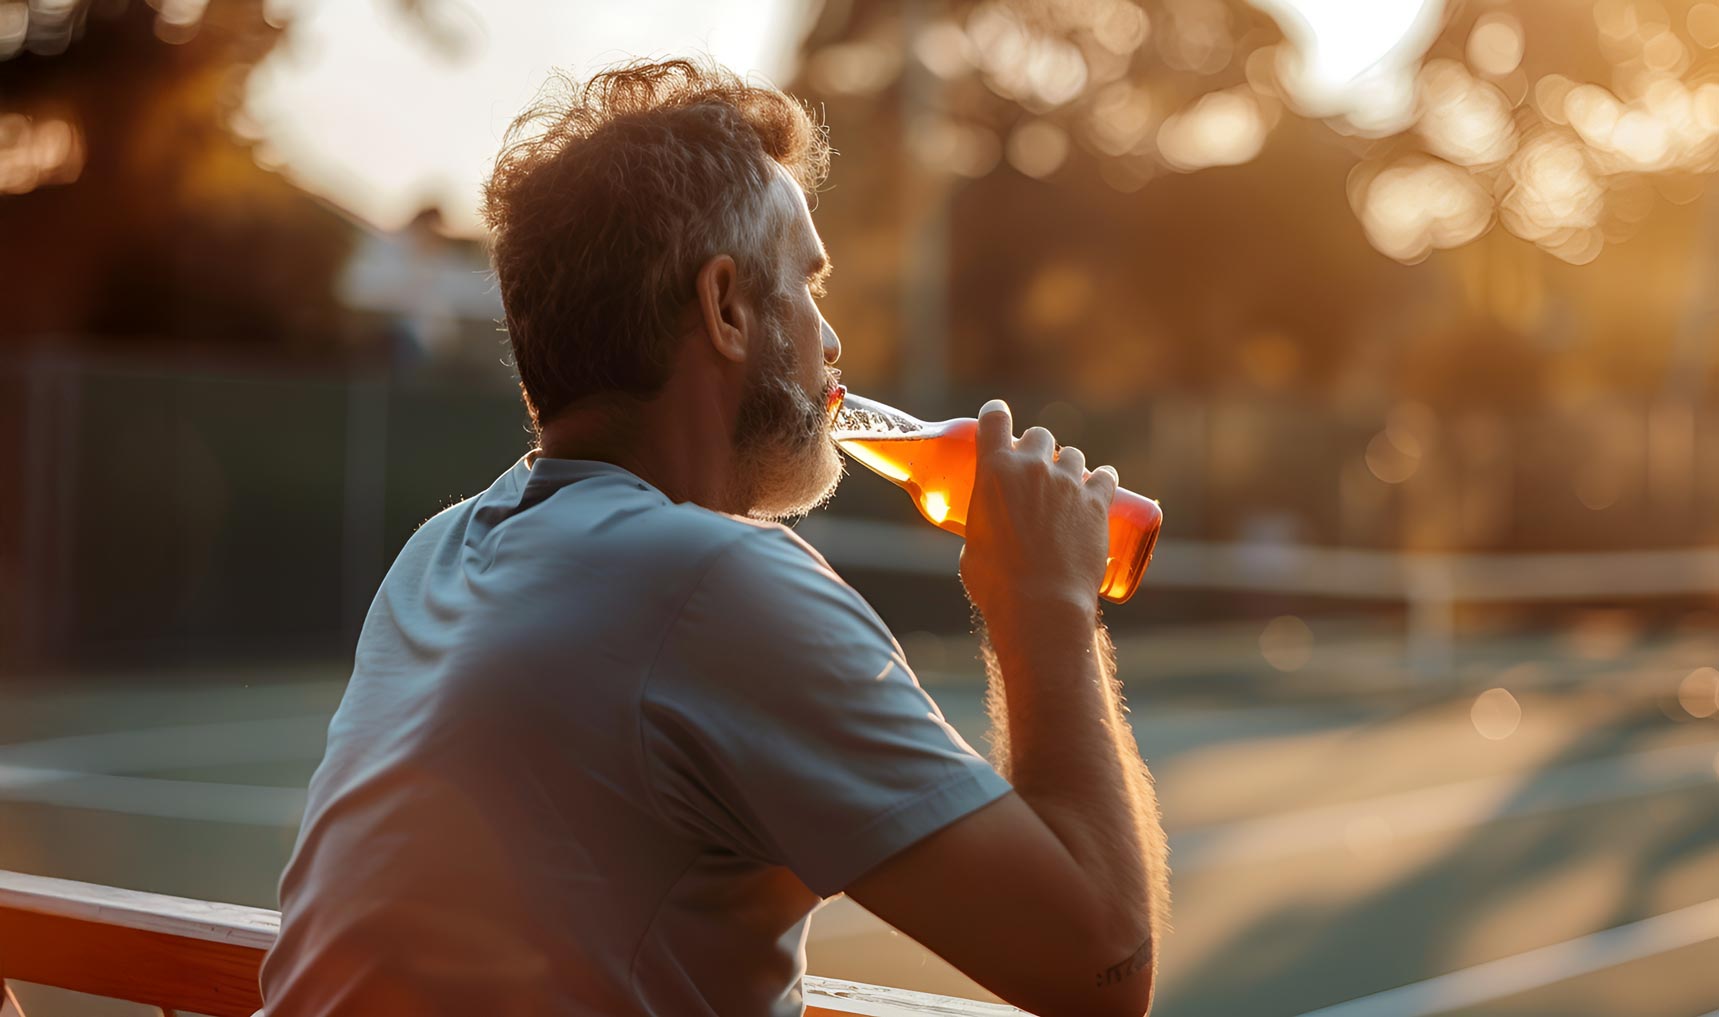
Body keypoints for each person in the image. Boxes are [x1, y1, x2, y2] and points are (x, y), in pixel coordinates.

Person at [259, 58, 1168, 1017]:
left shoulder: (439, 549)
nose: (830, 342)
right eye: (807, 284)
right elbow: (1100, 966)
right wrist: (1044, 604)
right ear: (726, 306)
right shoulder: (714, 581)